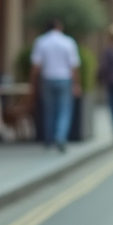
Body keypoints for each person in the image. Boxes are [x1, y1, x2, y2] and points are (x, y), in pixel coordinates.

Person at [30, 18, 81, 152]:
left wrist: (33, 82)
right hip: (64, 79)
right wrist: (76, 84)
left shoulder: (41, 41)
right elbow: (74, 66)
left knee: (49, 110)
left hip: (47, 78)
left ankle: (49, 139)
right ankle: (60, 137)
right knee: (64, 111)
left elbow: (36, 66)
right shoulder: (68, 41)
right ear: (59, 27)